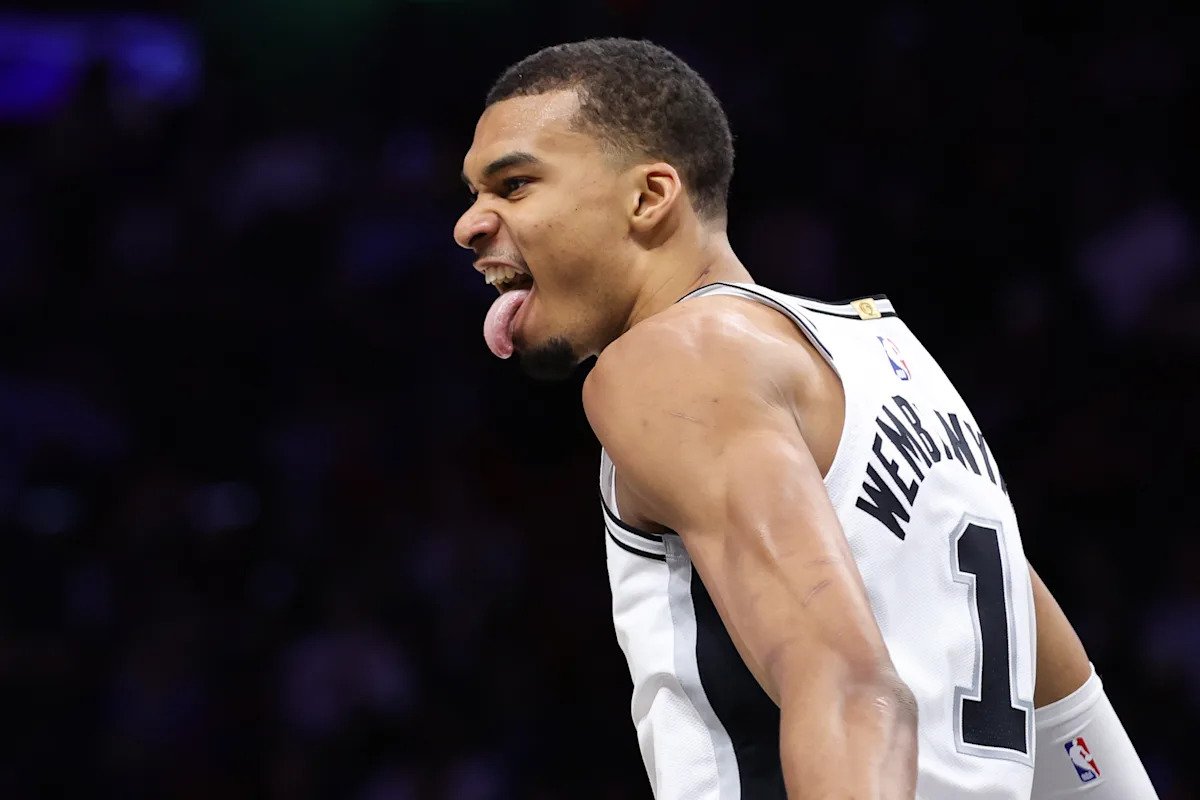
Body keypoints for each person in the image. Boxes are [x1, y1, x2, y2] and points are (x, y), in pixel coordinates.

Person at [453, 37, 1158, 800]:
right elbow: (1073, 727)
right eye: (474, 193)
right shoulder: (895, 370)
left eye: (514, 185)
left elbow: (851, 686)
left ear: (650, 197)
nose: (469, 225)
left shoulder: (671, 361)